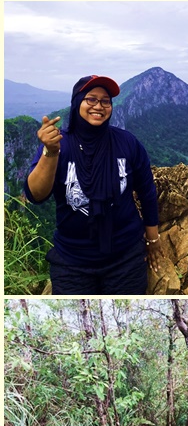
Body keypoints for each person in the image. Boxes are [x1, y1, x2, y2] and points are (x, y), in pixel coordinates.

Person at [24, 75, 162, 295]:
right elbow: (36, 195)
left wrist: (153, 239)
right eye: (91, 99)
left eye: (105, 101)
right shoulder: (59, 144)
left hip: (125, 255)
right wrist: (50, 152)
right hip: (72, 259)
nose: (99, 106)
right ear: (77, 101)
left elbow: (147, 192)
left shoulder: (127, 143)